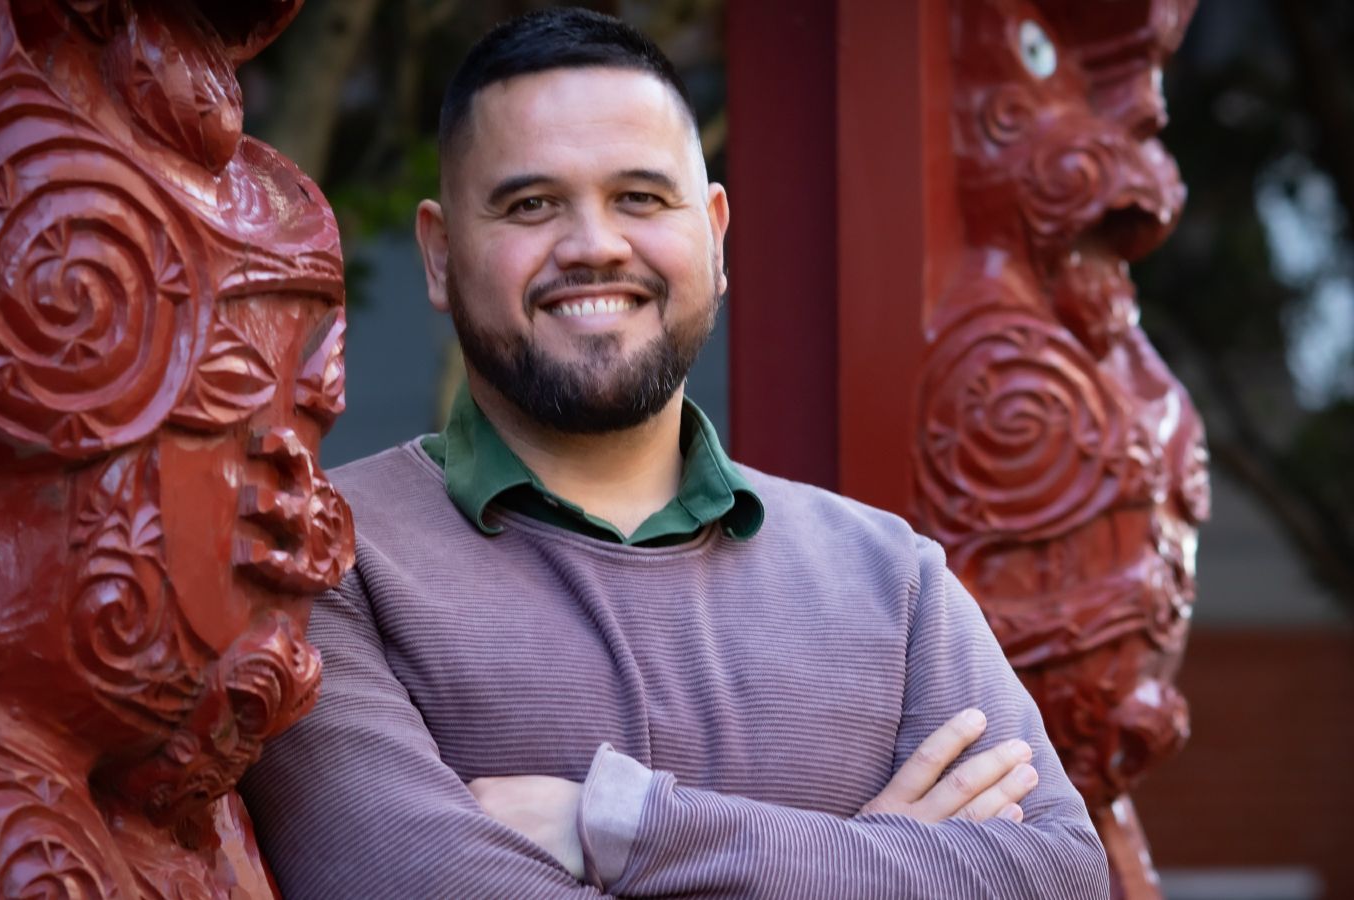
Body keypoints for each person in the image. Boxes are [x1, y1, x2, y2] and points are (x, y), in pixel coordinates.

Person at [241, 9, 1110, 898]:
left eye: (642, 198)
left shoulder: (895, 580)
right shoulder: (321, 559)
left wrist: (624, 826)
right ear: (440, 253)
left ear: (716, 235)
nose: (594, 246)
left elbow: (1063, 878)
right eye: (531, 204)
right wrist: (877, 860)